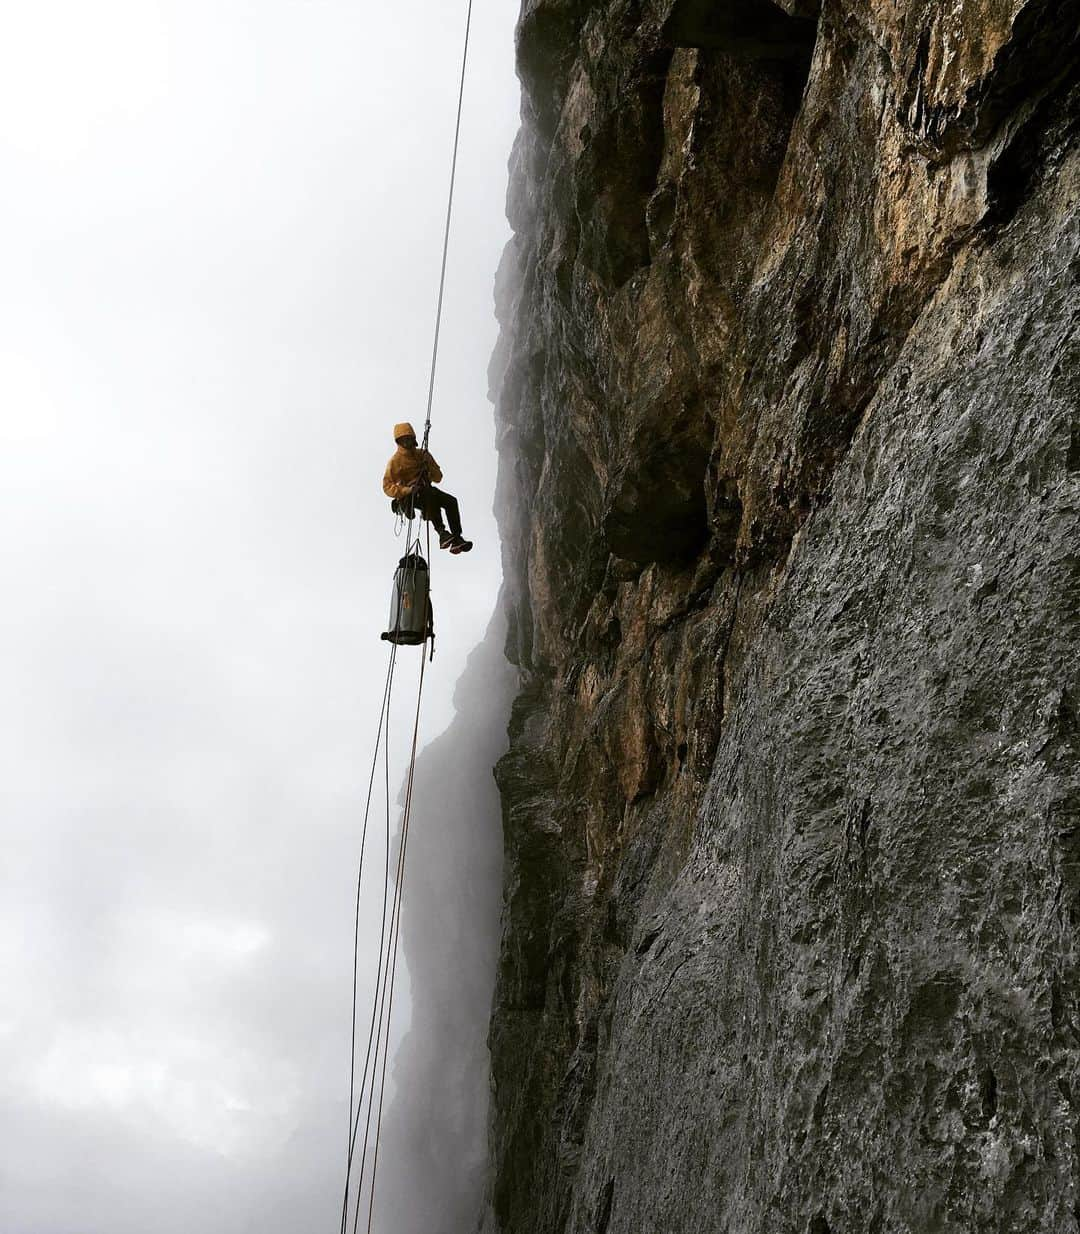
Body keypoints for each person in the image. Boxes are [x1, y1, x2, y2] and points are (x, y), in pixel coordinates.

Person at [382, 422, 473, 553]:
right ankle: (442, 533)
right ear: (398, 442)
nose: (407, 441)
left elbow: (438, 477)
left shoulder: (422, 455)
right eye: (403, 439)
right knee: (429, 495)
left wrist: (429, 467)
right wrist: (406, 490)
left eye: (408, 438)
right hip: (411, 496)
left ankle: (457, 538)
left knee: (451, 501)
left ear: (413, 438)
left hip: (426, 489)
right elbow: (387, 486)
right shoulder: (396, 461)